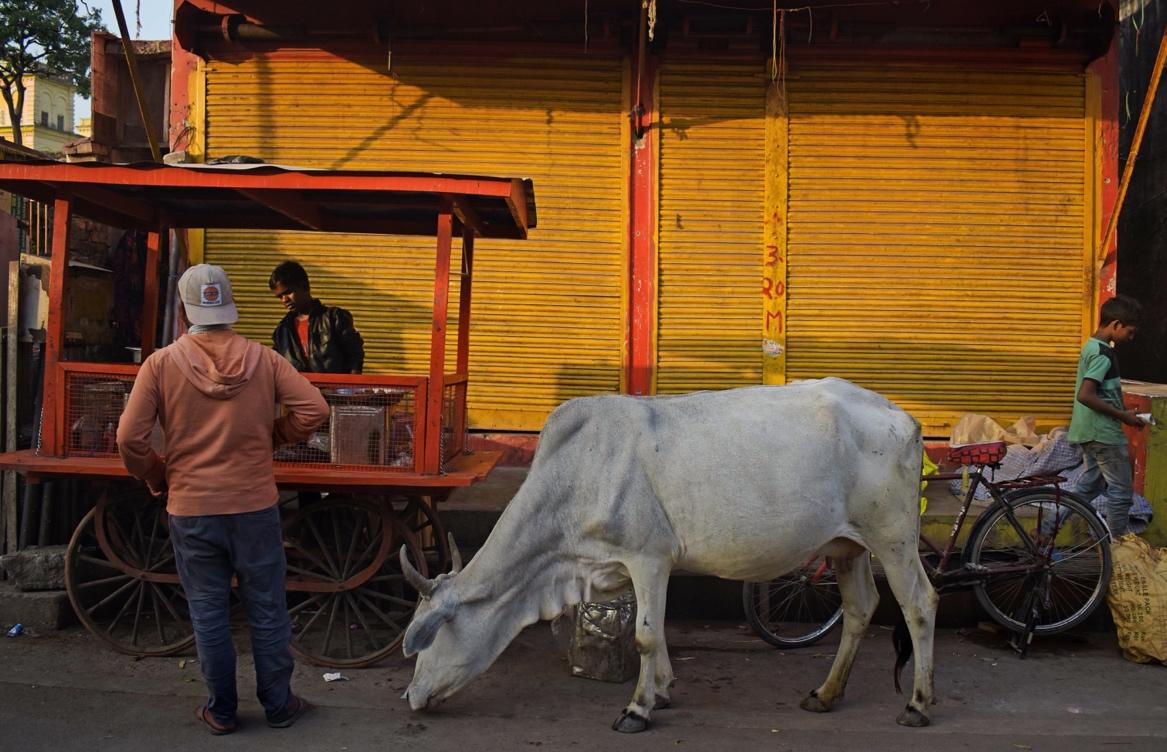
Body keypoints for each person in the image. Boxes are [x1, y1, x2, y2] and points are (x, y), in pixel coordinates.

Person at [117, 264, 329, 735]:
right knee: (268, 607)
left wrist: (159, 475)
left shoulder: (160, 364)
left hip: (191, 509)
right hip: (254, 505)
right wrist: (272, 436)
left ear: (185, 310)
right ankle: (279, 705)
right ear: (227, 305)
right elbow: (315, 409)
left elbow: (129, 439)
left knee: (209, 610)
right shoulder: (265, 359)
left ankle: (222, 711)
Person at [1066, 294, 1147, 539]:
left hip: (1088, 431)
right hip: (1104, 435)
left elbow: (1097, 394)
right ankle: (1118, 549)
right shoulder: (1103, 354)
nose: (1130, 338)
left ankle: (1047, 530)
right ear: (1116, 325)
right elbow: (1087, 395)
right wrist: (1122, 416)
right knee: (1121, 493)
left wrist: (1122, 412)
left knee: (1088, 487)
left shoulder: (1090, 346)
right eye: (1130, 332)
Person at [269, 261, 365, 374]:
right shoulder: (282, 331)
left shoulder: (334, 318)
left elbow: (355, 357)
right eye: (280, 296)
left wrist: (348, 387)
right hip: (299, 391)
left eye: (288, 292)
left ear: (304, 285)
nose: (284, 300)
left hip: (333, 390)